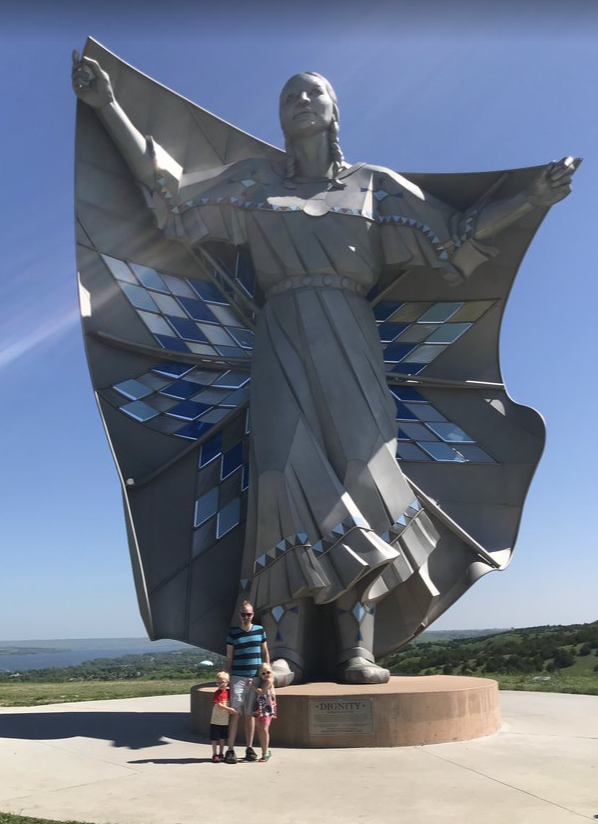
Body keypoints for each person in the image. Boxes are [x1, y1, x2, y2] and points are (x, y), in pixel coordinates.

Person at [72, 53, 578, 686]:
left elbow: (455, 239)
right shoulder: (254, 183)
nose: (300, 101)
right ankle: (285, 651)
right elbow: (170, 198)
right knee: (282, 480)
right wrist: (108, 107)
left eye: (313, 92)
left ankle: (356, 650)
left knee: (364, 476)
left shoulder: (374, 187)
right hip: (279, 337)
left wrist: (531, 198)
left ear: (336, 110)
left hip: (352, 336)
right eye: (289, 95)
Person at [224, 601, 269, 764]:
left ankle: (249, 748)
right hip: (238, 677)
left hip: (254, 678)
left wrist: (268, 673)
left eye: (249, 614)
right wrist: (226, 675)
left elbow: (265, 652)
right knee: (235, 713)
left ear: (253, 615)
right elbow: (229, 657)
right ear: (239, 615)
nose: (246, 617)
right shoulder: (233, 633)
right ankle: (230, 750)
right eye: (243, 614)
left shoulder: (260, 630)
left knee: (250, 714)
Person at [248, 663, 277, 762]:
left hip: (266, 708)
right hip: (260, 707)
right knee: (260, 729)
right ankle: (264, 751)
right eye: (263, 673)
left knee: (264, 728)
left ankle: (265, 752)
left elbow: (262, 692)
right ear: (260, 675)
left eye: (268, 672)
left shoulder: (269, 681)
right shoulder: (262, 681)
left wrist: (251, 686)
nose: (266, 675)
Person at [209, 671, 237, 763]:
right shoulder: (217, 693)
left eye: (222, 682)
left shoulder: (228, 692)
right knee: (214, 739)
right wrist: (229, 709)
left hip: (224, 721)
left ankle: (221, 753)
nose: (220, 684)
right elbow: (219, 704)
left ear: (227, 682)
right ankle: (214, 754)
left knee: (222, 738)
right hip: (216, 720)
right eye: (218, 683)